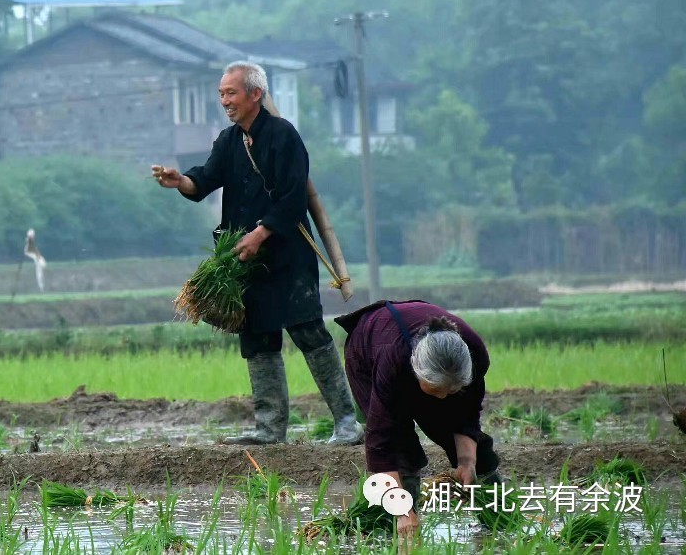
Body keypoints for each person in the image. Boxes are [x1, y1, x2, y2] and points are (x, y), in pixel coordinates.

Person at [152, 61, 362, 446]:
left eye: (230, 93)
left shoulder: (284, 137)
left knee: (308, 332)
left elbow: (293, 197)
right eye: (221, 94)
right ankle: (269, 429)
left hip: (288, 255)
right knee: (257, 338)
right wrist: (179, 180)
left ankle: (347, 422)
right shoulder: (229, 141)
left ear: (255, 95)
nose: (224, 101)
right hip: (247, 262)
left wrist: (260, 233)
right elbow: (204, 181)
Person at [334, 299, 502, 537]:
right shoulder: (392, 363)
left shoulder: (474, 355)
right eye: (436, 390)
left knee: (460, 431)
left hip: (436, 364)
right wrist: (402, 510)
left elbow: (466, 415)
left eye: (451, 391)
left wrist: (467, 462)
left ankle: (501, 519)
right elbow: (382, 443)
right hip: (368, 346)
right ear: (416, 371)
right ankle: (402, 524)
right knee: (400, 443)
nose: (443, 397)